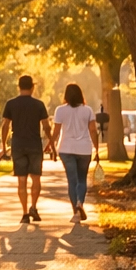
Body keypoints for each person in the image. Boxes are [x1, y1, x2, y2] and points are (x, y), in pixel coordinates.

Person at [1, 75, 53, 223]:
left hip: (18, 144)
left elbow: (5, 125)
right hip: (34, 145)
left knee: (21, 181)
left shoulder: (11, 104)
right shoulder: (38, 104)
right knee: (36, 179)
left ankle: (24, 214)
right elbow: (46, 126)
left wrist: (4, 145)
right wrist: (51, 142)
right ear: (32, 87)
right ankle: (33, 207)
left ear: (19, 86)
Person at [51, 83, 101, 224]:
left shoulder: (60, 110)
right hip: (84, 149)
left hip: (66, 149)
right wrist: (96, 148)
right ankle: (80, 203)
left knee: (71, 181)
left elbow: (56, 131)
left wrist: (51, 146)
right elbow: (93, 131)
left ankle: (75, 212)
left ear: (66, 95)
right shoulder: (88, 110)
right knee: (82, 179)